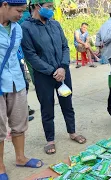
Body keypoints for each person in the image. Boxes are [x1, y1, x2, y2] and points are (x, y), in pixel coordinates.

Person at [21, 0, 87, 155]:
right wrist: (52, 71)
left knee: (67, 103)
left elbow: (65, 46)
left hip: (63, 72)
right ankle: (50, 140)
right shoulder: (26, 27)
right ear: (36, 6)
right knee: (47, 107)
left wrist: (63, 67)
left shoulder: (55, 24)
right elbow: (31, 55)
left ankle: (72, 132)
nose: (50, 10)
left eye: (52, 7)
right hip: (43, 75)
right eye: (48, 7)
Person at [0, 0, 44, 178]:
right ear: (4, 5)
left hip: (16, 80)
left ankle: (20, 157)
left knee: (19, 121)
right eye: (19, 11)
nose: (21, 15)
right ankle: (0, 167)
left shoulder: (17, 28)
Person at [95, 4, 111, 87]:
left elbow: (98, 35)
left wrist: (99, 44)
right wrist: (104, 41)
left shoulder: (104, 25)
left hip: (108, 53)